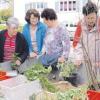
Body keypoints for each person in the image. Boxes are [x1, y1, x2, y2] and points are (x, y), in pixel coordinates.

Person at [73, 1, 100, 86]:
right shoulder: (80, 25)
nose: (90, 20)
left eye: (92, 18)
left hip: (98, 63)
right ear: (84, 16)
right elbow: (77, 44)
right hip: (86, 63)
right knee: (86, 85)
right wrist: (78, 58)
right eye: (88, 18)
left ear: (96, 15)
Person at [40, 8, 70, 80]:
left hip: (58, 59)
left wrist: (64, 57)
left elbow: (67, 44)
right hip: (48, 58)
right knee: (48, 77)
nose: (45, 23)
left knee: (56, 79)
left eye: (45, 21)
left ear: (50, 19)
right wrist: (43, 50)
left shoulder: (61, 28)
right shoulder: (48, 28)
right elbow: (45, 40)